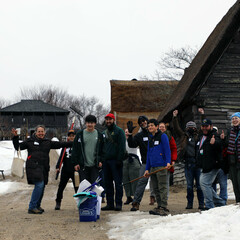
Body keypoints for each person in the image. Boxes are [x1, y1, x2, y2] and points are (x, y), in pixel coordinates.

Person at [12, 125, 72, 214]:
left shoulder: (47, 142)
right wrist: (15, 137)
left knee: (42, 185)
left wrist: (73, 142)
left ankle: (37, 205)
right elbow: (18, 147)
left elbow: (60, 144)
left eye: (42, 131)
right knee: (39, 184)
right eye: (39, 131)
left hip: (44, 167)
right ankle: (32, 207)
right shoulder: (30, 141)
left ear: (45, 132)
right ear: (36, 132)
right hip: (33, 167)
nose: (40, 133)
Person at [172, 109, 204, 210]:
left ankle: (201, 204)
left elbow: (203, 127)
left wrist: (202, 115)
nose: (191, 128)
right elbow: (177, 128)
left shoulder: (198, 136)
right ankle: (189, 204)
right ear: (186, 128)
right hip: (188, 164)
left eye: (192, 127)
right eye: (189, 127)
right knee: (189, 186)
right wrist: (175, 117)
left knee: (199, 186)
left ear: (195, 129)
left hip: (198, 164)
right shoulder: (183, 136)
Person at [144, 119, 171, 216]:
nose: (150, 127)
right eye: (149, 126)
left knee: (162, 186)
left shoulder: (163, 136)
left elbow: (167, 150)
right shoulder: (150, 138)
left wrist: (168, 162)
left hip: (161, 166)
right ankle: (159, 205)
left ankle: (163, 206)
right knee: (155, 188)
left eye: (152, 125)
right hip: (153, 167)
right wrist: (147, 168)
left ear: (156, 126)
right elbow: (148, 154)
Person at [197, 118, 225, 210]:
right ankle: (220, 202)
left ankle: (209, 206)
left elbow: (220, 144)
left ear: (211, 126)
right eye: (203, 126)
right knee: (206, 184)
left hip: (212, 165)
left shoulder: (214, 135)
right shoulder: (202, 136)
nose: (204, 128)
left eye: (207, 126)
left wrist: (214, 143)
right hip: (205, 165)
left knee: (204, 183)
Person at [101, 113, 126, 211]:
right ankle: (110, 204)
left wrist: (120, 159)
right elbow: (102, 147)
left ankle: (118, 203)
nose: (108, 121)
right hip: (106, 162)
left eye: (110, 119)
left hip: (116, 161)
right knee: (108, 184)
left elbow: (122, 146)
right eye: (107, 119)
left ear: (113, 120)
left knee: (118, 183)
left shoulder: (119, 131)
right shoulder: (104, 133)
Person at [71, 115, 104, 184]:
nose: (90, 125)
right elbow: (75, 149)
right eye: (88, 123)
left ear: (95, 123)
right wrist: (75, 163)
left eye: (92, 123)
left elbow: (102, 149)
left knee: (94, 187)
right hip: (82, 166)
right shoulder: (79, 134)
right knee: (84, 187)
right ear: (85, 123)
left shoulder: (99, 135)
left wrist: (101, 160)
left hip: (95, 166)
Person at [126, 116, 149, 211]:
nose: (143, 123)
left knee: (158, 184)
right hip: (145, 162)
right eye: (140, 122)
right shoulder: (139, 135)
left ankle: (161, 204)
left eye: (144, 121)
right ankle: (135, 202)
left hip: (157, 162)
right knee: (141, 182)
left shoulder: (154, 134)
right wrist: (130, 134)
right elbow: (132, 144)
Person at [55, 130, 77, 210]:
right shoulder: (65, 146)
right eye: (70, 136)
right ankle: (58, 202)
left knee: (77, 187)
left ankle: (80, 202)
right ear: (68, 137)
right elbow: (61, 157)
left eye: (73, 136)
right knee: (61, 187)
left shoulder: (77, 146)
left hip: (75, 171)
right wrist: (58, 167)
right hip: (66, 170)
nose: (71, 137)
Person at [224, 112, 240, 203]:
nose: (234, 120)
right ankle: (238, 203)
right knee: (235, 184)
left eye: (236, 118)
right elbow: (227, 145)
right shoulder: (230, 131)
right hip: (233, 161)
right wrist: (223, 139)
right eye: (233, 119)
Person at [123, 129, 141, 205]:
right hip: (124, 160)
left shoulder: (134, 140)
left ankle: (135, 197)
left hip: (133, 159)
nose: (127, 133)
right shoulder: (122, 141)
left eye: (128, 132)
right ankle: (128, 196)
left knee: (134, 179)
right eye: (125, 132)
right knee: (125, 179)